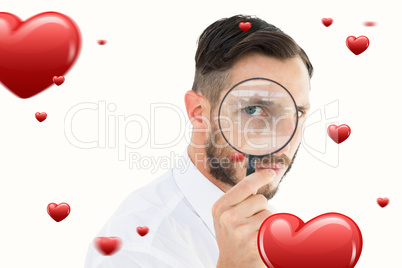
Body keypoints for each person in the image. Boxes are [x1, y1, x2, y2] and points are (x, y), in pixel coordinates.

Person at [84, 14, 313, 268]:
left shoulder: (280, 226)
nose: (283, 141)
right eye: (254, 110)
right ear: (198, 112)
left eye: (297, 113)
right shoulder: (134, 250)